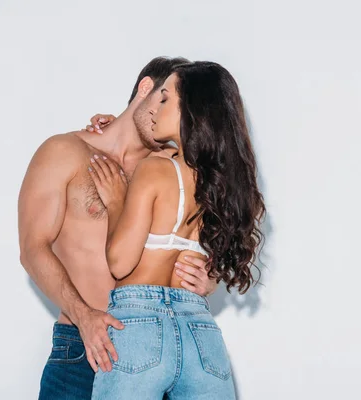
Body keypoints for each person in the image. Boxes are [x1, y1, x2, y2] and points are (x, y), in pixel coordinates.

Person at [18, 56, 218, 400]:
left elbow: (218, 232)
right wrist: (84, 316)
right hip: (82, 346)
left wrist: (210, 276)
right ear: (146, 89)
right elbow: (33, 248)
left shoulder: (175, 168)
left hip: (158, 349)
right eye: (166, 100)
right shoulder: (64, 151)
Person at [88, 61, 265, 399]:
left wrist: (116, 203)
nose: (154, 106)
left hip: (139, 326)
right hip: (200, 331)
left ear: (192, 112)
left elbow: (120, 263)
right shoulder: (226, 183)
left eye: (165, 99)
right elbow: (220, 263)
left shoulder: (154, 169)